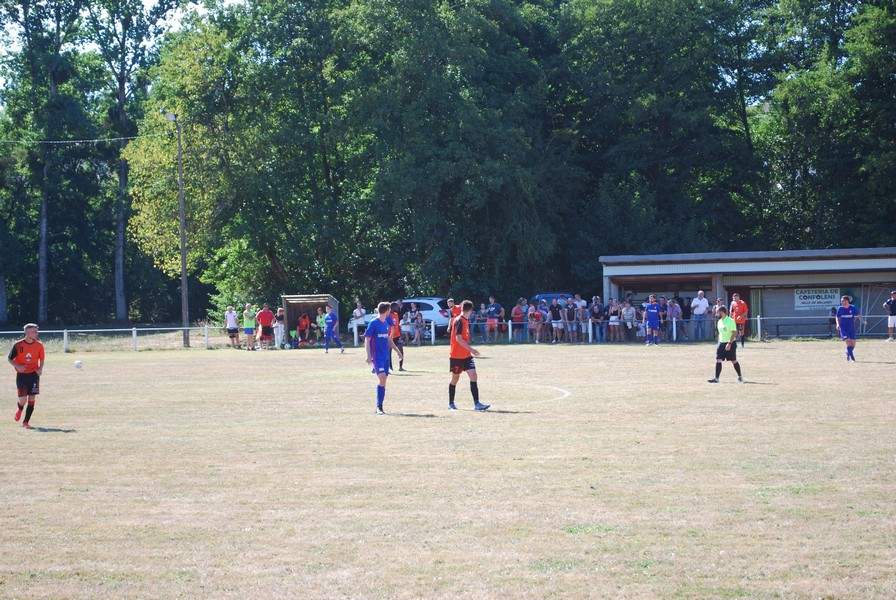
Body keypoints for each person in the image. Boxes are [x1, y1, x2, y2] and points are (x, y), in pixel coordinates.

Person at [448, 300, 489, 411]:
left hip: (466, 356)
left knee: (473, 376)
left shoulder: (465, 320)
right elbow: (458, 339)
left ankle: (477, 404)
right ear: (470, 310)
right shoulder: (459, 321)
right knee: (455, 379)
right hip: (456, 356)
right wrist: (472, 349)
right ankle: (451, 403)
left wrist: (469, 351)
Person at [365, 302, 403, 414]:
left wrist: (397, 351)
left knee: (384, 380)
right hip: (377, 356)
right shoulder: (373, 323)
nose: (390, 312)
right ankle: (378, 407)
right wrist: (368, 355)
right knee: (382, 378)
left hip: (386, 356)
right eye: (389, 310)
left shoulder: (386, 322)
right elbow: (367, 339)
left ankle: (380, 405)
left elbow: (388, 339)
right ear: (386, 311)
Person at [8, 323, 45, 429]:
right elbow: (10, 358)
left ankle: (26, 422)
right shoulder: (18, 345)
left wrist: (40, 368)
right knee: (23, 399)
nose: (36, 333)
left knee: (32, 398)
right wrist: (17, 366)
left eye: (36, 331)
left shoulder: (39, 345)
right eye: (34, 331)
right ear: (27, 333)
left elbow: (41, 359)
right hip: (22, 375)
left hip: (34, 375)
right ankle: (19, 409)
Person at [708, 306, 743, 383]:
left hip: (730, 343)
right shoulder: (719, 321)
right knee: (718, 360)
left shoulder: (730, 321)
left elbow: (734, 332)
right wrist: (719, 343)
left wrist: (729, 343)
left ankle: (740, 376)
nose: (716, 314)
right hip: (721, 343)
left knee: (733, 361)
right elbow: (720, 334)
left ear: (722, 312)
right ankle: (716, 379)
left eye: (718, 312)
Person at [836, 295, 861, 361]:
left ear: (847, 301)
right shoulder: (840, 308)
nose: (842, 302)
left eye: (843, 301)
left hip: (851, 328)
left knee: (853, 344)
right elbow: (837, 317)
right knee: (848, 342)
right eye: (841, 301)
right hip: (843, 328)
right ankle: (852, 358)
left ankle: (848, 352)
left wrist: (861, 320)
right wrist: (838, 324)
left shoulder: (853, 307)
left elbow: (858, 314)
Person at [390, 302, 405, 371]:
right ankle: (390, 367)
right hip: (390, 337)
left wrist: (400, 332)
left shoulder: (396, 314)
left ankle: (400, 367)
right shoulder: (387, 315)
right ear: (392, 307)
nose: (398, 308)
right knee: (388, 353)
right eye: (396, 306)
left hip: (397, 336)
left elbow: (397, 325)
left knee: (401, 351)